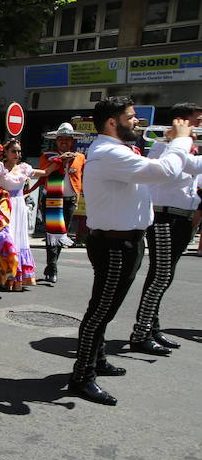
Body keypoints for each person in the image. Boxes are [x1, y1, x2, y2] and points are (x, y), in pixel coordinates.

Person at [68, 97, 193, 406]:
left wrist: (179, 145)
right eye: (131, 117)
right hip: (113, 243)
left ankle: (96, 360)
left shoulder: (120, 151)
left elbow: (176, 168)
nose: (137, 122)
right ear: (113, 122)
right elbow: (164, 171)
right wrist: (181, 141)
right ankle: (81, 376)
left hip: (128, 241)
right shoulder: (108, 152)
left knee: (106, 308)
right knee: (100, 312)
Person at [128, 102, 202, 355]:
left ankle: (151, 326)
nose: (200, 125)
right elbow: (175, 171)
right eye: (197, 120)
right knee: (160, 276)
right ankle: (140, 332)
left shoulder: (189, 149)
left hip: (182, 217)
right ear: (181, 121)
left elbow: (194, 172)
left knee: (164, 276)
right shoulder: (163, 146)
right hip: (164, 217)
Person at [0, 139, 52, 289]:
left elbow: (45, 172)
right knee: (1, 237)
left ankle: (11, 275)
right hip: (3, 207)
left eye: (19, 151)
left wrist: (61, 161)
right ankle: (2, 270)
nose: (17, 154)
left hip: (18, 207)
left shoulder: (24, 168)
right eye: (14, 151)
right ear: (5, 153)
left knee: (17, 240)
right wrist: (0, 193)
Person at [36, 123, 87, 283]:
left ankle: (52, 265)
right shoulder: (47, 156)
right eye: (61, 139)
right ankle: (52, 267)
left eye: (67, 139)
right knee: (52, 234)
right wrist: (59, 160)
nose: (64, 142)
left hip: (70, 200)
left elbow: (81, 178)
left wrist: (78, 199)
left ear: (72, 141)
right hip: (51, 199)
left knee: (61, 235)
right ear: (56, 141)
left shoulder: (80, 158)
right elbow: (43, 173)